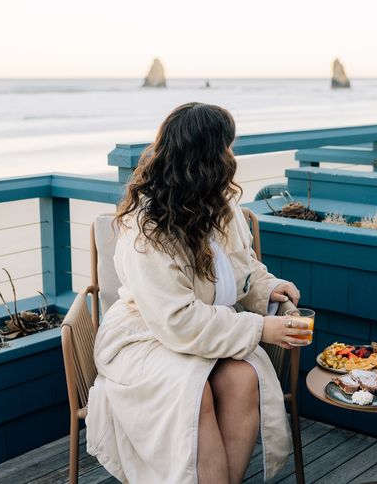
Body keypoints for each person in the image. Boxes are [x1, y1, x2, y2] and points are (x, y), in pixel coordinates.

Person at [85, 102, 310, 484]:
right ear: (204, 157)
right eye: (226, 147)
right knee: (195, 393)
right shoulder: (147, 229)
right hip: (149, 336)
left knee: (242, 380)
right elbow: (178, 320)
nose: (231, 157)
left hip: (204, 330)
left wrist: (268, 287)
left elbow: (243, 267)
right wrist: (260, 329)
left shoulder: (219, 205)